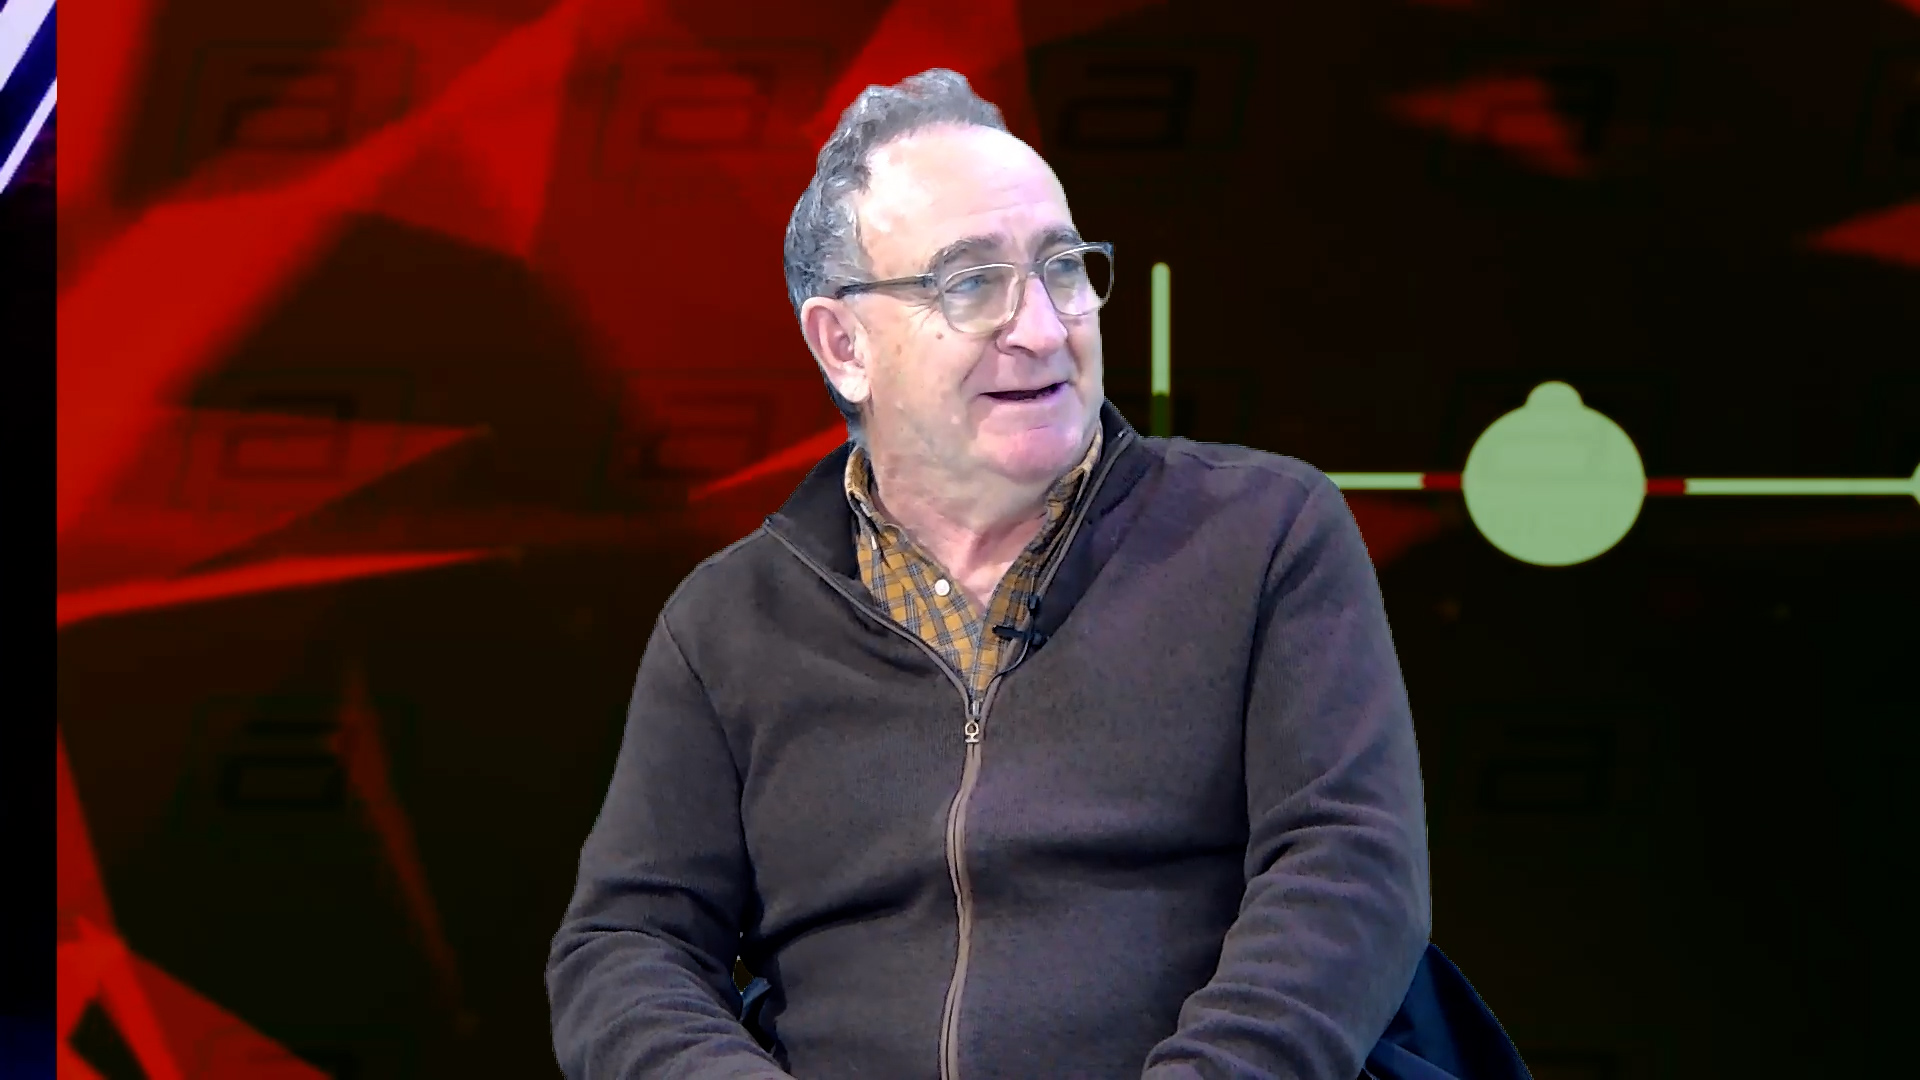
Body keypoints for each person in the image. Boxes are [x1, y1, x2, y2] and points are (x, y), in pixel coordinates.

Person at [547, 69, 1432, 1080]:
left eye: (1062, 269)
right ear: (844, 346)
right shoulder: (728, 624)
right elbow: (625, 948)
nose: (1045, 328)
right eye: (971, 284)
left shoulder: (1262, 536)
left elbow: (1348, 874)